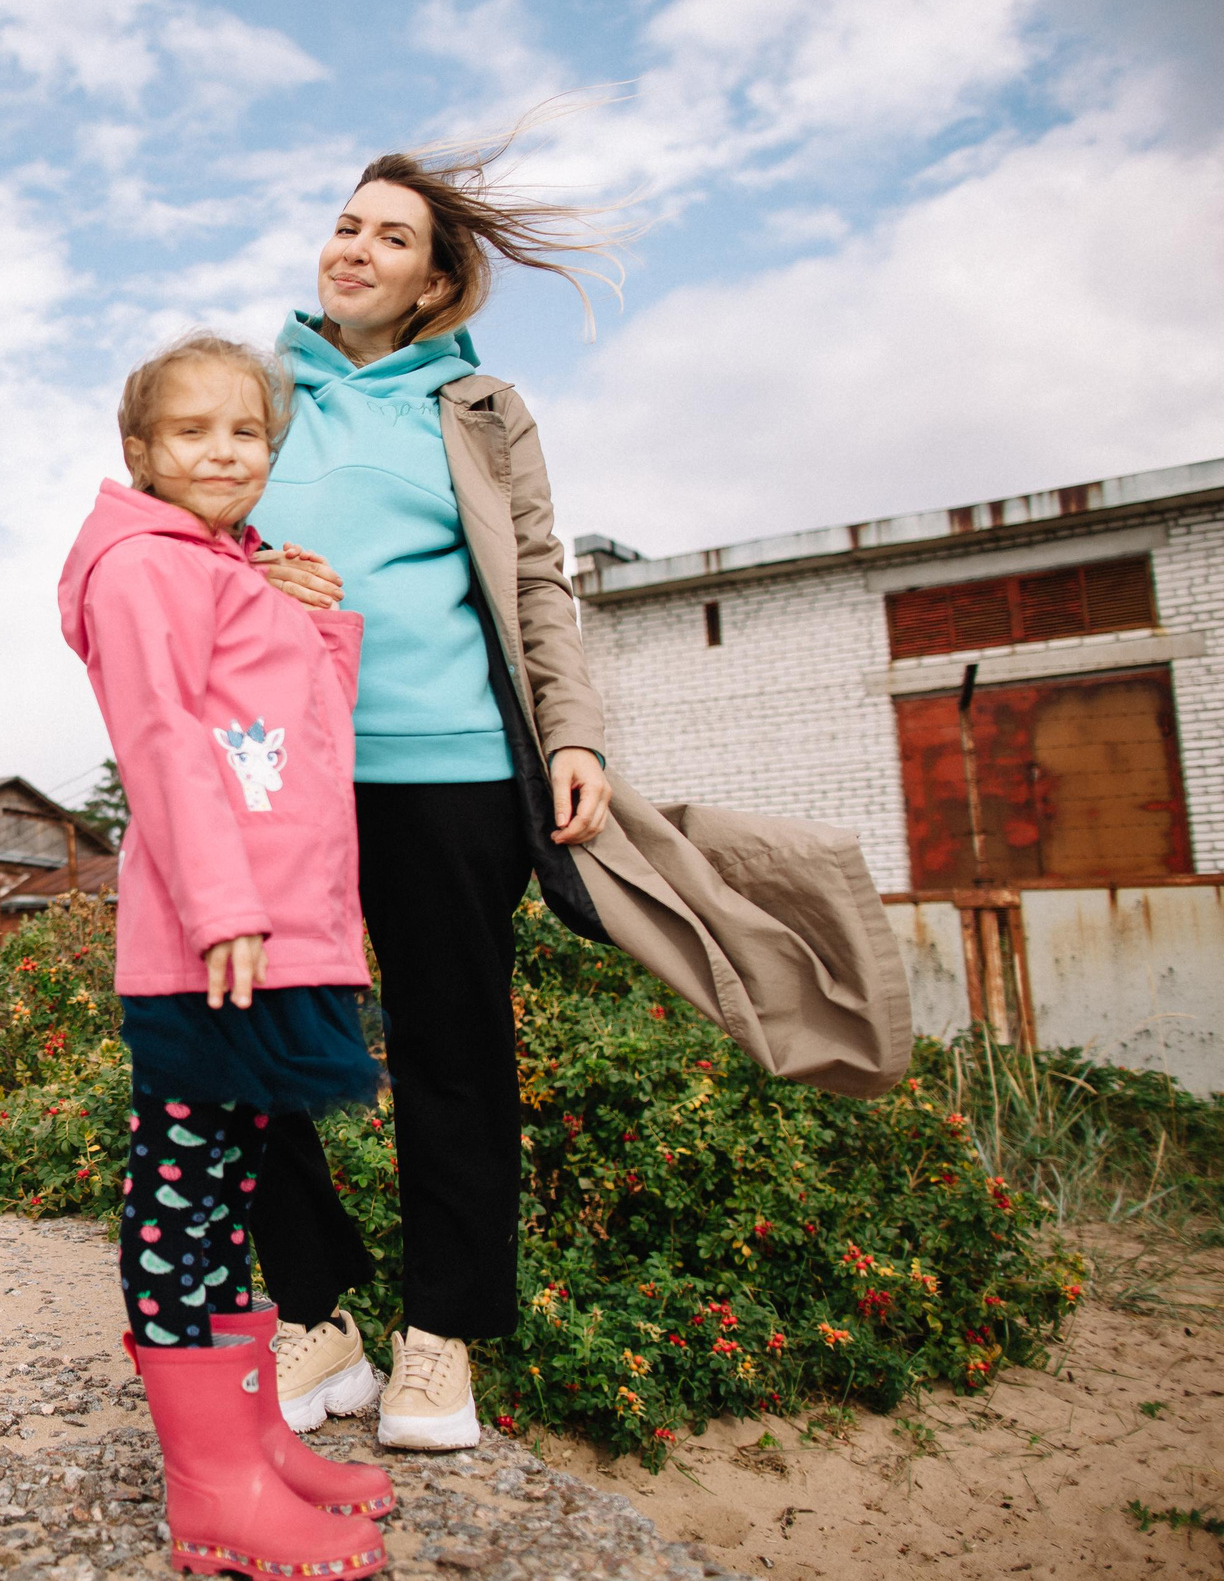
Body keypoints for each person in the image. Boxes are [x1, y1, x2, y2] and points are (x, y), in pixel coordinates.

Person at [245, 120, 910, 1454]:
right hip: (273, 766)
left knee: (451, 1049)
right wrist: (241, 579)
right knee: (245, 1031)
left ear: (436, 282)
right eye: (346, 223)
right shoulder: (257, 394)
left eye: (389, 235)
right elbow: (180, 541)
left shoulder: (482, 410)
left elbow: (538, 583)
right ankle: (314, 1311)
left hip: (448, 767)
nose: (353, 248)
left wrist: (575, 738)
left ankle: (440, 1337)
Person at [57, 332, 393, 1580]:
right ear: (139, 452)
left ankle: (252, 1443)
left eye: (245, 432)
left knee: (231, 1189)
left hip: (268, 924)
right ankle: (211, 1487)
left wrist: (311, 620)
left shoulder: (226, 567)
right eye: (191, 432)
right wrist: (219, 908)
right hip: (213, 936)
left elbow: (296, 739)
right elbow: (158, 737)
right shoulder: (144, 564)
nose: (222, 452)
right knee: (182, 1192)